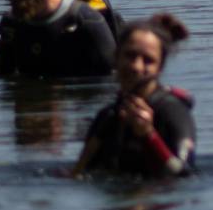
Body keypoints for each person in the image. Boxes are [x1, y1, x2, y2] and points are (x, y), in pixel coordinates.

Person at [72, 14, 197, 179]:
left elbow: (184, 176)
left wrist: (148, 135)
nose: (136, 67)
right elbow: (78, 175)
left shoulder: (173, 112)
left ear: (160, 67)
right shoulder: (107, 117)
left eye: (148, 60)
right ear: (116, 58)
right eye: (130, 56)